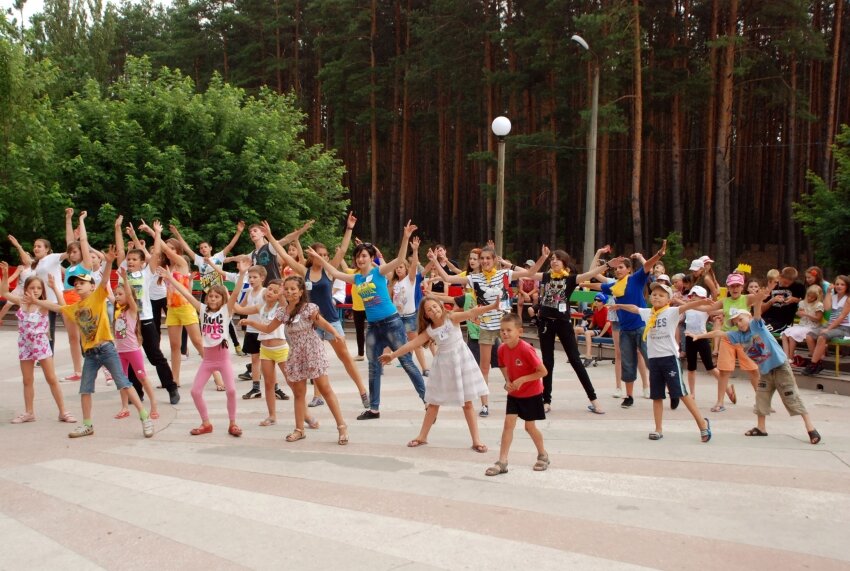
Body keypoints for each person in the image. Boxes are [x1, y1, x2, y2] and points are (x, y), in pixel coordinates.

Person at [28, 246, 154, 439]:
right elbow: (56, 306)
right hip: (90, 354)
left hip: (106, 348)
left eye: (82, 282)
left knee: (124, 383)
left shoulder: (98, 297)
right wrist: (37, 301)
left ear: (91, 286)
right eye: (75, 283)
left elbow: (104, 280)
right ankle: (87, 424)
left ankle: (144, 417)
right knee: (85, 389)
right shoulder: (75, 307)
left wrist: (110, 261)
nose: (77, 285)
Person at [306, 221, 426, 420]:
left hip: (391, 322)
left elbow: (399, 260)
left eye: (364, 256)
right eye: (358, 256)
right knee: (374, 366)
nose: (360, 259)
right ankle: (374, 408)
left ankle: (426, 400)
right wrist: (319, 258)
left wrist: (405, 238)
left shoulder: (377, 272)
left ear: (371, 258)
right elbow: (335, 273)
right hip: (373, 327)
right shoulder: (357, 279)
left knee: (406, 362)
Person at [261, 216, 370, 408]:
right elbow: (285, 257)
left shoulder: (329, 271)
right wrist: (269, 236)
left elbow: (343, 250)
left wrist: (349, 228)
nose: (323, 257)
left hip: (330, 321)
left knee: (344, 357)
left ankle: (363, 391)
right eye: (319, 253)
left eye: (325, 254)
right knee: (315, 361)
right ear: (311, 256)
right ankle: (317, 395)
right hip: (310, 323)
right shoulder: (305, 272)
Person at [430, 243, 550, 417]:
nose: (485, 261)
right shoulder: (475, 278)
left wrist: (543, 258)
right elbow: (449, 279)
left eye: (488, 258)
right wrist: (435, 260)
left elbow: (530, 273)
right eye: (482, 259)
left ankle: (525, 392)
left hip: (505, 325)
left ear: (494, 260)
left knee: (514, 360)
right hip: (485, 326)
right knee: (484, 366)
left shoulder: (504, 274)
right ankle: (485, 404)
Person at [690, 299, 822, 445]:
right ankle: (761, 428)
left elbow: (758, 313)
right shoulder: (738, 336)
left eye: (741, 319)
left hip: (780, 367)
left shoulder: (756, 326)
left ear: (749, 318)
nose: (739, 323)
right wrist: (699, 336)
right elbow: (719, 333)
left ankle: (811, 429)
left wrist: (760, 299)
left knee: (792, 397)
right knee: (761, 398)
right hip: (765, 371)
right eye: (735, 322)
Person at [380, 296, 499, 452]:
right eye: (429, 309)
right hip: (443, 366)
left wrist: (492, 306)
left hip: (461, 362)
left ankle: (476, 440)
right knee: (434, 402)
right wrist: (393, 355)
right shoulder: (429, 330)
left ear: (441, 307)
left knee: (467, 403)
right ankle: (422, 436)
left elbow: (472, 312)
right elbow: (412, 344)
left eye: (435, 306)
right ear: (425, 315)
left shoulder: (452, 318)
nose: (433, 310)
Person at [244, 276, 349, 445]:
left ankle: (342, 426)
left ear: (301, 292)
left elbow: (322, 323)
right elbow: (268, 328)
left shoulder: (308, 308)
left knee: (325, 389)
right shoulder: (282, 312)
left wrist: (337, 334)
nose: (290, 292)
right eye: (287, 289)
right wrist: (251, 322)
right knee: (299, 393)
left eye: (294, 289)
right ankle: (299, 429)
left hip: (313, 352)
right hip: (296, 354)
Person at [613, 282, 713, 442]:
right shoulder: (648, 313)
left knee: (681, 393)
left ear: (668, 299)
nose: (656, 297)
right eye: (654, 294)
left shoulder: (671, 312)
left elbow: (687, 306)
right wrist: (619, 306)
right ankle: (658, 429)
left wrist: (702, 301)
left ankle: (702, 423)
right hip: (654, 360)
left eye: (661, 295)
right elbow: (634, 308)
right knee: (657, 396)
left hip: (669, 359)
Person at [532, 248, 623, 414]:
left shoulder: (571, 279)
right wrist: (503, 263)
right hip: (545, 323)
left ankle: (593, 399)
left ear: (565, 262)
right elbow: (527, 273)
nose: (554, 261)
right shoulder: (545, 277)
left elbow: (589, 275)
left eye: (558, 259)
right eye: (552, 259)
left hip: (563, 323)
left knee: (575, 360)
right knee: (547, 362)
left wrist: (608, 265)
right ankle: (546, 400)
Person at [157, 264, 245, 437]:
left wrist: (241, 274)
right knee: (195, 391)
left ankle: (233, 423)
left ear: (222, 299)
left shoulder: (226, 311)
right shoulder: (202, 310)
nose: (212, 299)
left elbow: (235, 293)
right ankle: (206, 423)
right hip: (208, 360)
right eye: (210, 296)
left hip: (223, 358)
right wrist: (170, 278)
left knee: (232, 390)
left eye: (216, 297)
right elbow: (186, 294)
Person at [588, 241, 667, 409]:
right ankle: (629, 396)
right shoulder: (614, 286)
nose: (618, 270)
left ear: (629, 269)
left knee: (651, 360)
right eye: (616, 268)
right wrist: (579, 283)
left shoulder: (636, 279)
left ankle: (665, 389)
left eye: (621, 267)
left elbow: (649, 266)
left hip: (641, 327)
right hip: (624, 330)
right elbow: (596, 284)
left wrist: (659, 254)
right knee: (628, 363)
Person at [115, 220, 181, 405]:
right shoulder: (123, 273)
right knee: (129, 356)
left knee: (155, 356)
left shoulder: (146, 273)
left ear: (142, 262)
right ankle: (137, 392)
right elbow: (120, 250)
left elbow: (157, 254)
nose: (130, 261)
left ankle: (171, 387)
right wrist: (117, 229)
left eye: (134, 259)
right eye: (129, 260)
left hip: (145, 320)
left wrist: (158, 233)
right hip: (127, 323)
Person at [0, 264, 76, 424]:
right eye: (32, 287)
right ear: (25, 288)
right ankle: (29, 412)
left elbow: (63, 308)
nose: (35, 290)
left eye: (38, 288)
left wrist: (54, 287)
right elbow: (4, 292)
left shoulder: (43, 305)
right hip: (24, 344)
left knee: (51, 378)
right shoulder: (21, 302)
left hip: (40, 344)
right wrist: (6, 275)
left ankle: (63, 411)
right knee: (27, 380)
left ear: (42, 291)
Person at [484, 314, 549, 476]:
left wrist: (522, 380)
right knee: (508, 424)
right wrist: (508, 381)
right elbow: (503, 365)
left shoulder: (526, 349)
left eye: (509, 330)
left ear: (519, 331)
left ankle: (543, 455)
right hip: (514, 393)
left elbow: (543, 371)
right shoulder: (501, 349)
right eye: (502, 330)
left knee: (529, 427)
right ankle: (502, 461)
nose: (504, 333)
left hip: (531, 393)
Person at [169, 221, 245, 354]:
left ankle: (237, 345)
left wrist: (238, 232)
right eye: (201, 248)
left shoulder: (218, 257)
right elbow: (186, 248)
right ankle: (206, 344)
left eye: (205, 247)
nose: (203, 249)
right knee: (204, 318)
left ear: (210, 248)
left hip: (220, 293)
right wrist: (177, 234)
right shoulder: (198, 260)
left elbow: (231, 245)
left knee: (226, 319)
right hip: (207, 293)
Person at [111, 267, 160, 421]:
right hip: (120, 352)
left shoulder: (132, 310)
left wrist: (125, 280)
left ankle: (154, 406)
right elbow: (106, 292)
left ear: (129, 295)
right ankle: (124, 407)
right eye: (116, 294)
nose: (117, 297)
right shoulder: (117, 311)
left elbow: (131, 298)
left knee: (142, 377)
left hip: (132, 350)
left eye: (120, 294)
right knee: (122, 380)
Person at [681, 286, 723, 402]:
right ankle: (692, 393)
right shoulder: (688, 307)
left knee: (710, 367)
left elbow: (715, 310)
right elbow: (680, 306)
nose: (693, 297)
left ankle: (727, 386)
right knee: (691, 368)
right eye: (692, 294)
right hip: (689, 338)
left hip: (702, 338)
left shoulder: (705, 308)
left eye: (696, 295)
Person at [803, 275, 850, 375]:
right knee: (809, 336)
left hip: (844, 327)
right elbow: (827, 308)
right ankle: (818, 362)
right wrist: (828, 292)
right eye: (837, 284)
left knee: (822, 337)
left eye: (842, 284)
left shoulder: (848, 299)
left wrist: (828, 328)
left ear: (847, 286)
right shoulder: (833, 297)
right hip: (832, 325)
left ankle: (813, 364)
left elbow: (842, 316)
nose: (839, 286)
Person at [781, 285, 824, 364]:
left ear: (817, 297)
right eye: (808, 296)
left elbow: (818, 319)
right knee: (785, 334)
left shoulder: (819, 305)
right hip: (802, 325)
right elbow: (800, 314)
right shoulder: (802, 303)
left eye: (812, 297)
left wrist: (806, 314)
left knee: (792, 335)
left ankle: (791, 358)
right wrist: (799, 313)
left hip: (812, 326)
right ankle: (785, 357)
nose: (809, 298)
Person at [761, 267, 806, 334]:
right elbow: (761, 308)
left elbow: (807, 302)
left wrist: (795, 300)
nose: (786, 285)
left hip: (781, 321)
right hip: (765, 318)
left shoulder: (798, 287)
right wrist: (771, 301)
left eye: (789, 283)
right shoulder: (772, 285)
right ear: (780, 276)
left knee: (763, 331)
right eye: (785, 282)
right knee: (752, 327)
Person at [574, 293, 612, 367]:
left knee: (588, 333)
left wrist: (600, 335)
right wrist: (584, 329)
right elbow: (592, 324)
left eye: (599, 300)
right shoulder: (596, 310)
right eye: (595, 300)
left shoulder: (606, 311)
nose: (596, 301)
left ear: (603, 302)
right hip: (598, 329)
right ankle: (575, 353)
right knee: (576, 329)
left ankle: (588, 356)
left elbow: (608, 324)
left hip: (605, 331)